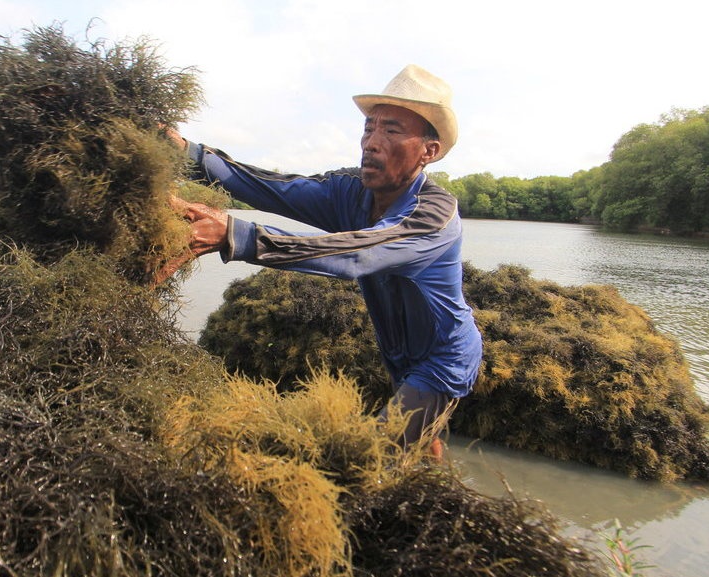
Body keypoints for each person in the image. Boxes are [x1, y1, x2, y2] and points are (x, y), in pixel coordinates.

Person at [167, 65, 482, 459]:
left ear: (428, 151)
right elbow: (273, 188)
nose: (371, 142)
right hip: (398, 350)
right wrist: (191, 153)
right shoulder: (350, 192)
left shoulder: (432, 216)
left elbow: (356, 254)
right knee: (420, 433)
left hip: (443, 356)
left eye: (392, 130)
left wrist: (237, 234)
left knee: (377, 456)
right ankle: (437, 478)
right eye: (369, 127)